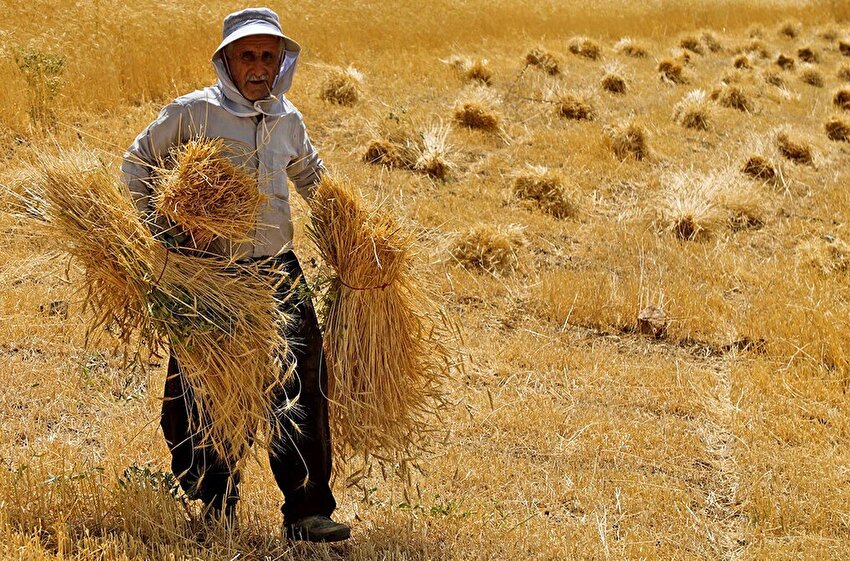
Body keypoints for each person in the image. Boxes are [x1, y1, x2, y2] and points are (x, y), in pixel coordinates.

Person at [120, 7, 350, 543]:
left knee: (300, 383)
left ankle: (307, 510)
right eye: (248, 55)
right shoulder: (194, 113)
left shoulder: (288, 118)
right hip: (211, 274)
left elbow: (314, 179)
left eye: (269, 57)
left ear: (281, 62)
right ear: (227, 60)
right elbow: (136, 164)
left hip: (277, 271)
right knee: (206, 388)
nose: (259, 66)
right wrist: (167, 232)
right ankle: (214, 503)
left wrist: (349, 237)